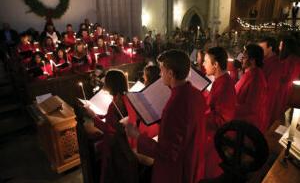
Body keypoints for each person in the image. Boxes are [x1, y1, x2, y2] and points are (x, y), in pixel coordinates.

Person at [126, 50, 207, 183]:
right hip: (193, 160)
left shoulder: (176, 104)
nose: (159, 74)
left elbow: (166, 152)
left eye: (162, 70)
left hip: (177, 171)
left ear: (170, 73)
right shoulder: (196, 94)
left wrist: (137, 136)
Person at [91, 70, 139, 183]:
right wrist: (100, 115)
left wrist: (93, 116)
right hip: (127, 141)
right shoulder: (127, 97)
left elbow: (109, 129)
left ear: (110, 84)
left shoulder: (115, 104)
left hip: (117, 147)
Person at [203, 47, 237, 178]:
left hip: (215, 140)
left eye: (206, 61)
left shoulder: (225, 85)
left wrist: (199, 117)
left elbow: (222, 120)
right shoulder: (220, 80)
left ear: (215, 64)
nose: (203, 64)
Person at [235, 44, 267, 132]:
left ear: (252, 60)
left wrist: (230, 107)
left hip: (247, 126)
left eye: (244, 57)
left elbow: (251, 107)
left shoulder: (256, 78)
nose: (241, 59)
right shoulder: (250, 73)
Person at [258, 37, 281, 128]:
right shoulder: (264, 61)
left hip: (265, 104)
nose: (259, 51)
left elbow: (271, 90)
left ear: (270, 48)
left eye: (262, 48)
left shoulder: (275, 64)